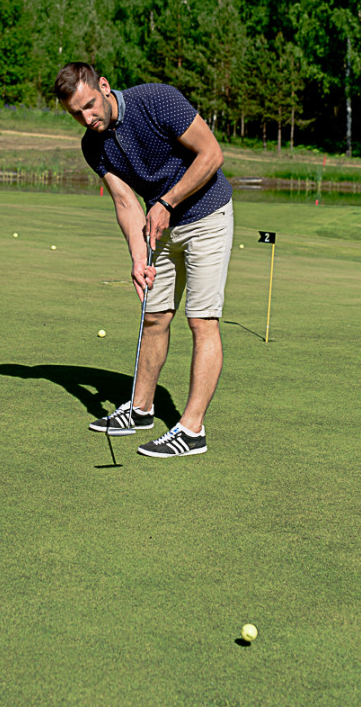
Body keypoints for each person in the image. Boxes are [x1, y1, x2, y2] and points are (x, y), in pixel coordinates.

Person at [54, 62, 233, 458]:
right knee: (154, 315)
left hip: (207, 215)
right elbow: (125, 202)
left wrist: (168, 201)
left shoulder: (157, 100)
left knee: (201, 320)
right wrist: (138, 257)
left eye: (89, 106)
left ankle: (191, 430)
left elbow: (212, 154)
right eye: (76, 114)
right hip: (160, 224)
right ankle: (140, 410)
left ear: (104, 86)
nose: (87, 118)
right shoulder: (92, 145)